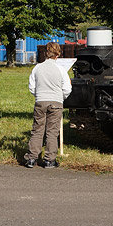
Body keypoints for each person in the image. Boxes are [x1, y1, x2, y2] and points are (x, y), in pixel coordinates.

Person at [23, 41, 72, 169]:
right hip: (56, 102)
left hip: (40, 100)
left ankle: (31, 158)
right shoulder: (61, 70)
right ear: (58, 54)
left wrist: (39, 95)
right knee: (52, 132)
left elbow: (32, 87)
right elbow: (67, 88)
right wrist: (60, 97)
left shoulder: (37, 68)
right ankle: (50, 160)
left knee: (37, 130)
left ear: (45, 53)